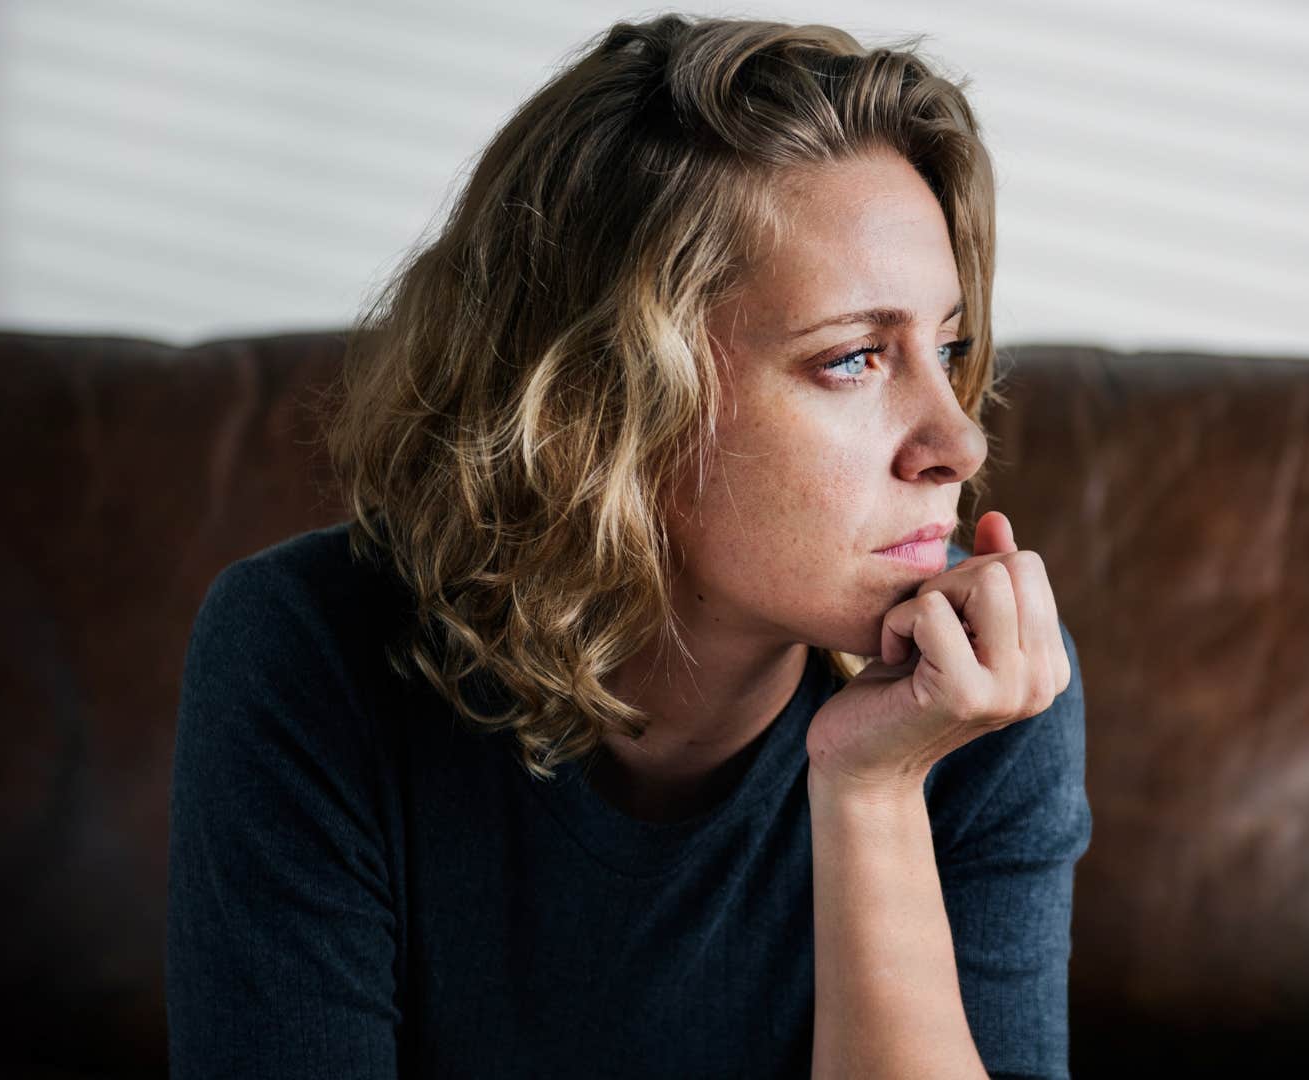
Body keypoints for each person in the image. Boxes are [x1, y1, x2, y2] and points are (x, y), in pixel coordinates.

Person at [165, 13, 1090, 1078]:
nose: (960, 441)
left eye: (950, 347)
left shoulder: (982, 691)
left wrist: (873, 792)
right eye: (852, 359)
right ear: (606, 403)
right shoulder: (307, 654)